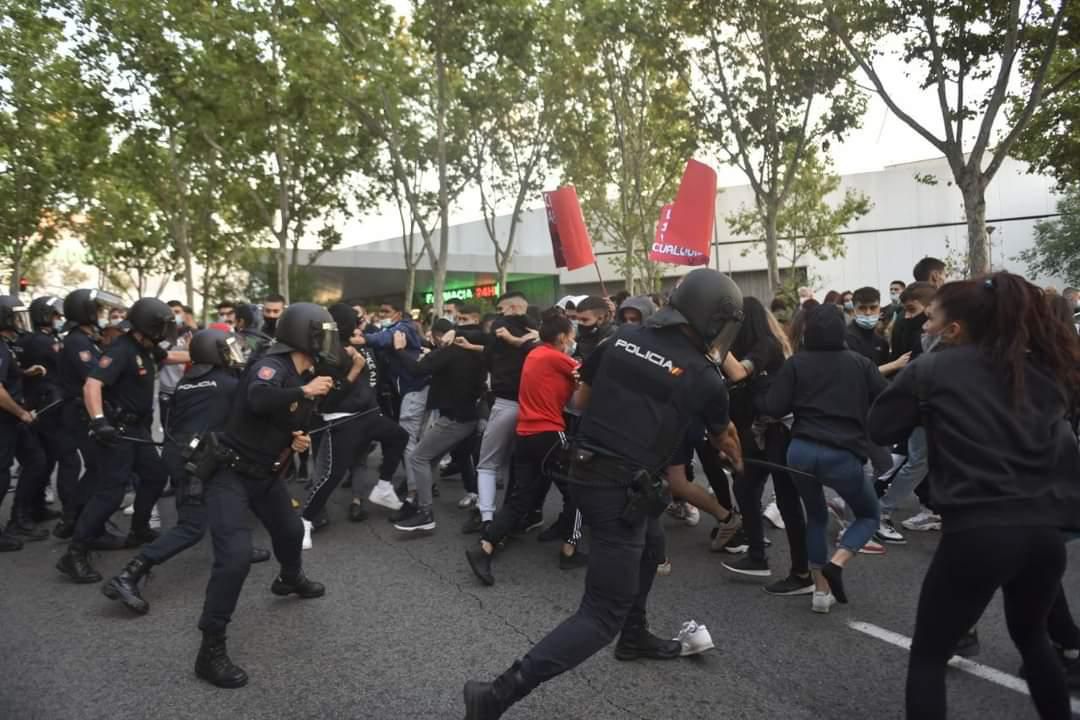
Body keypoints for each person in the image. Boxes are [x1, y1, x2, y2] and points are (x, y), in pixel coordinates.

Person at [462, 268, 745, 720]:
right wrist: (739, 462)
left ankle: (635, 636)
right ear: (713, 319)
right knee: (600, 614)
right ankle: (496, 695)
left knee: (651, 545)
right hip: (619, 489)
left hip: (588, 468)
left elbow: (580, 401)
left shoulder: (621, 339)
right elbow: (724, 438)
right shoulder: (704, 375)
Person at [868, 272, 1080, 720]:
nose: (927, 327)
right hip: (1045, 533)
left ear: (955, 327)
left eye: (933, 319)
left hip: (978, 530)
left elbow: (881, 428)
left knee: (929, 655)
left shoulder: (934, 369)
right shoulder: (1045, 371)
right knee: (1034, 640)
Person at [195, 303, 335, 688]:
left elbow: (282, 417)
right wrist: (304, 390)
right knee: (235, 558)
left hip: (266, 475)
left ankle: (290, 578)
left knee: (291, 532)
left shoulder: (303, 373)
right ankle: (210, 649)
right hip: (231, 474)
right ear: (306, 335)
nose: (329, 342)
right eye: (323, 334)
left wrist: (295, 437)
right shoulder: (271, 366)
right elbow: (258, 398)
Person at [101, 328, 271, 615]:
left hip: (182, 453)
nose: (233, 355)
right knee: (191, 526)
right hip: (196, 460)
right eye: (227, 351)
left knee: (227, 497)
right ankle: (129, 574)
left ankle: (234, 547)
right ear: (216, 355)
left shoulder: (186, 382)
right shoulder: (227, 384)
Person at [56, 298, 190, 583]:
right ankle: (74, 553)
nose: (166, 332)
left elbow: (170, 357)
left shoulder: (145, 347)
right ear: (149, 327)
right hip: (118, 431)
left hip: (137, 430)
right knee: (111, 492)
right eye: (163, 326)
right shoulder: (121, 350)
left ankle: (140, 528)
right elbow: (92, 384)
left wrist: (210, 353)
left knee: (155, 476)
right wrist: (99, 421)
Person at [763, 303, 886, 614]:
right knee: (869, 515)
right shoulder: (861, 363)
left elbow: (773, 407)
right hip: (843, 453)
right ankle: (837, 562)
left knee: (816, 516)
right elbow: (886, 401)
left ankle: (820, 592)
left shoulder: (796, 364)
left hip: (800, 451)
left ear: (808, 331)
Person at [465, 312, 585, 585]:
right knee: (577, 491)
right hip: (549, 434)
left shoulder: (535, 354)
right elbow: (587, 378)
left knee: (520, 498)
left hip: (526, 434)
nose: (572, 341)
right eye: (571, 336)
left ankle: (485, 546)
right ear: (562, 337)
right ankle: (570, 550)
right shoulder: (557, 357)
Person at [719, 298, 810, 591]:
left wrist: (714, 342)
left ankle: (802, 574)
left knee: (787, 500)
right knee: (744, 487)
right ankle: (757, 556)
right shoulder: (754, 347)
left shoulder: (766, 345)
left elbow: (738, 373)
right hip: (760, 431)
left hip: (778, 431)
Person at [300, 304, 407, 543]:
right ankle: (305, 521)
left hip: (367, 415)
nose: (359, 325)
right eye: (354, 321)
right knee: (333, 475)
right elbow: (329, 399)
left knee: (399, 436)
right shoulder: (328, 353)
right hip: (342, 421)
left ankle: (384, 486)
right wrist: (355, 369)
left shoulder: (353, 346)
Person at [390, 310, 487, 533]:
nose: (459, 323)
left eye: (462, 319)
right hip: (467, 416)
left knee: (418, 457)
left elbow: (417, 369)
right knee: (430, 459)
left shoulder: (452, 351)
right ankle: (415, 503)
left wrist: (400, 350)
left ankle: (425, 512)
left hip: (455, 418)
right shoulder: (475, 351)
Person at [471, 293, 538, 529]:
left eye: (501, 309)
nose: (498, 315)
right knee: (524, 467)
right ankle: (517, 515)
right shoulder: (541, 332)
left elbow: (488, 346)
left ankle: (487, 518)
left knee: (487, 464)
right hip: (536, 406)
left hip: (507, 402)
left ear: (513, 307)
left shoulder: (502, 327)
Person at [357, 298, 429, 506]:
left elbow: (382, 339)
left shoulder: (402, 328)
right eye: (380, 311)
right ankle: (413, 486)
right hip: (405, 392)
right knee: (409, 440)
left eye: (386, 311)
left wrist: (360, 339)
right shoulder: (396, 327)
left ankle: (415, 494)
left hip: (413, 390)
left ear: (398, 313)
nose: (382, 314)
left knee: (408, 441)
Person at [0, 295, 48, 549]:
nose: (19, 322)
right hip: (6, 420)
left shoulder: (6, 345)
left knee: (35, 461)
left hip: (12, 420)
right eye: (14, 317)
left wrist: (25, 372)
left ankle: (19, 520)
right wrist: (21, 413)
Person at [17, 295, 71, 525]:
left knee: (44, 460)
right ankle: (27, 512)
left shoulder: (28, 339)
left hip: (37, 403)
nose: (59, 319)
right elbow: (62, 366)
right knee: (43, 461)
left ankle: (36, 507)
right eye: (56, 315)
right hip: (46, 405)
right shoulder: (44, 342)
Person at [572, 296, 614, 361]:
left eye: (584, 320)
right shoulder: (579, 336)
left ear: (600, 318)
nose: (580, 323)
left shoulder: (613, 338)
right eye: (578, 319)